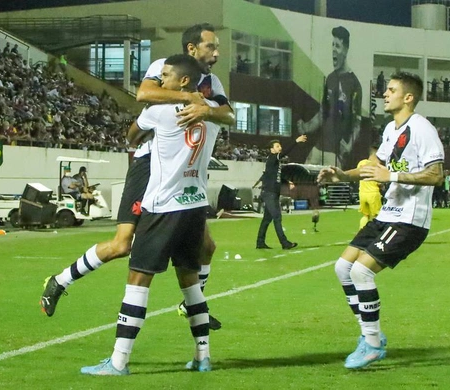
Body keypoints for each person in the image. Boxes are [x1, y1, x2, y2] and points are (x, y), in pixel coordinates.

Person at [40, 23, 234, 330]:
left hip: (183, 171)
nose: (217, 53)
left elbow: (229, 115)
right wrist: (187, 98)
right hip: (150, 167)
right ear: (192, 49)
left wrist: (203, 108)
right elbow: (144, 94)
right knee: (122, 245)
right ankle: (60, 281)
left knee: (207, 247)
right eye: (212, 46)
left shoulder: (212, 83)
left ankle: (192, 304)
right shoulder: (163, 67)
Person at [80, 54, 220, 376]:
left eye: (166, 75)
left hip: (162, 205)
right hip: (195, 204)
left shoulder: (157, 111)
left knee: (138, 280)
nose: (161, 80)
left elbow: (131, 136)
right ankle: (203, 357)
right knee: (190, 282)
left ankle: (118, 361)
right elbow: (225, 114)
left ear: (183, 81)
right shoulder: (213, 116)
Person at [317, 72, 444, 369]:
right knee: (343, 268)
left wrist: (394, 176)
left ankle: (372, 344)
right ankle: (370, 335)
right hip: (388, 214)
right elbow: (375, 167)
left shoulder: (422, 129)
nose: (384, 94)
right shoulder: (391, 128)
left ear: (408, 97)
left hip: (410, 220)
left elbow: (436, 174)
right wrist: (341, 176)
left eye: (391, 90)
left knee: (362, 272)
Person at [298, 26, 363, 168]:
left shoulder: (354, 84)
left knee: (330, 187)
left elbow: (357, 123)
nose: (333, 49)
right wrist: (306, 127)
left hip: (334, 153)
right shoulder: (330, 79)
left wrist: (349, 146)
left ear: (345, 50)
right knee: (303, 175)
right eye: (332, 45)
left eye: (338, 46)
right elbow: (323, 112)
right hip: (319, 147)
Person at [256, 135, 307, 250]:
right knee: (277, 217)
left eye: (280, 146)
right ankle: (284, 243)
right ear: (272, 150)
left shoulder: (274, 162)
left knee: (267, 219)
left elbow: (275, 176)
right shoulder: (273, 158)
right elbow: (284, 153)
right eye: (277, 146)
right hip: (269, 193)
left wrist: (287, 181)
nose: (280, 148)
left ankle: (260, 242)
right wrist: (296, 141)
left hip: (272, 193)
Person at [356, 145, 381, 230]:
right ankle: (377, 232)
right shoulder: (376, 165)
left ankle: (361, 230)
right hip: (373, 193)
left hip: (362, 193)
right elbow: (379, 181)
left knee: (366, 215)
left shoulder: (361, 163)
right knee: (378, 215)